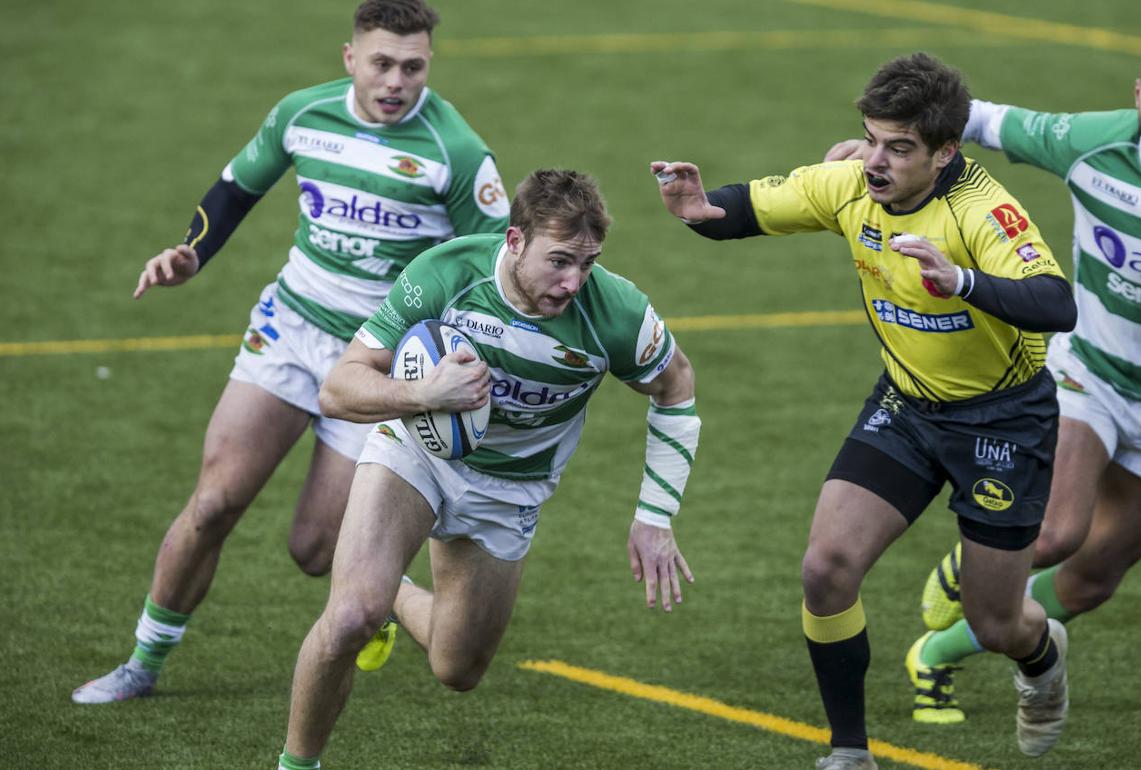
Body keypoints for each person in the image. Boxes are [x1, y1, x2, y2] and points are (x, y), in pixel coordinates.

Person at [72, 0, 511, 705]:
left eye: (413, 66)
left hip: (373, 361)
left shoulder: (456, 153)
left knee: (315, 547)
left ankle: (376, 592)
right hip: (289, 329)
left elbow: (495, 266)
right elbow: (235, 189)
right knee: (214, 502)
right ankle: (142, 662)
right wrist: (191, 252)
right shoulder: (303, 116)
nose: (397, 80)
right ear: (350, 59)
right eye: (382, 63)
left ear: (429, 63)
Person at [653, 52, 1078, 769]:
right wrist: (697, 208)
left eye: (898, 148)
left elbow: (1057, 305)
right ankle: (849, 751)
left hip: (1001, 422)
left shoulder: (983, 212)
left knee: (994, 620)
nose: (873, 161)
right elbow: (746, 209)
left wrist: (963, 280)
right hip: (907, 407)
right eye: (870, 139)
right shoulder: (851, 185)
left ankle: (1042, 659)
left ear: (946, 152)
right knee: (826, 568)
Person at [829, 34, 1141, 725]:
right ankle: (975, 564)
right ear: (1137, 93)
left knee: (1091, 582)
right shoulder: (1093, 142)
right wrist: (881, 151)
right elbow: (976, 118)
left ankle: (937, 652)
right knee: (1054, 534)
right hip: (1088, 373)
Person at [276, 168, 700, 769]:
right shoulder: (445, 274)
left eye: (587, 263)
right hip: (414, 453)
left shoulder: (617, 313)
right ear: (515, 241)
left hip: (512, 487)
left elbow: (676, 383)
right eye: (559, 261)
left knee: (456, 669)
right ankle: (298, 761)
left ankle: (389, 593)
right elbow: (340, 389)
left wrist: (655, 516)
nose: (574, 282)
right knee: (348, 617)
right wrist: (424, 394)